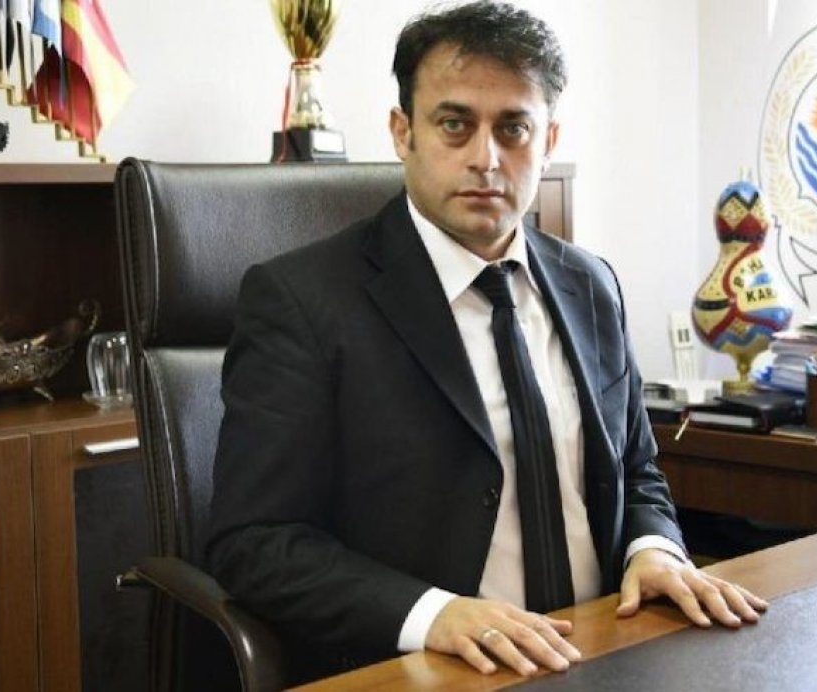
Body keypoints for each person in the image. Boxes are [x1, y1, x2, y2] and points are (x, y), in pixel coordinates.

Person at [206, 0, 767, 683]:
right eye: (454, 124)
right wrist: (434, 614)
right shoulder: (303, 300)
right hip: (430, 670)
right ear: (403, 132)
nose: (485, 158)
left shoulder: (590, 285)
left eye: (513, 128)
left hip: (603, 651)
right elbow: (254, 543)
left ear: (548, 139)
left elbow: (636, 469)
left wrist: (652, 549)